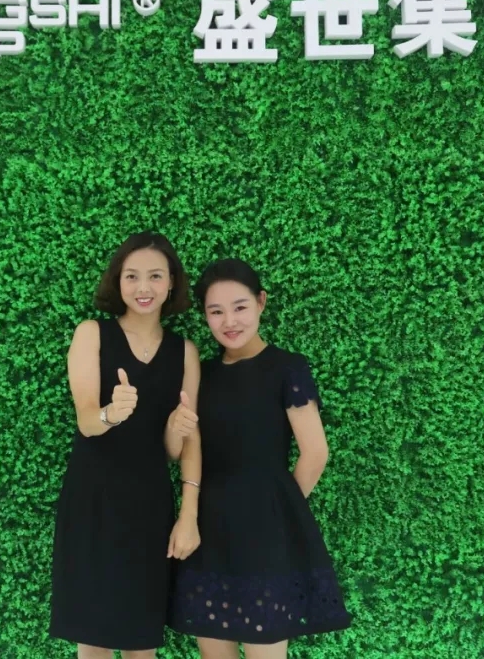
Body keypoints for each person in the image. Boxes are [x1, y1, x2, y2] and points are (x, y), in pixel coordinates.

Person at [169, 258, 352, 659]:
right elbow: (188, 447)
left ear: (261, 302)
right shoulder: (202, 373)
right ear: (205, 316)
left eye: (240, 307)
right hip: (209, 528)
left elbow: (315, 452)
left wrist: (277, 513)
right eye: (216, 311)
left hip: (265, 537)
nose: (229, 321)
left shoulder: (287, 368)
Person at [50, 231, 203, 659]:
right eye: (131, 276)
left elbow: (179, 448)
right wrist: (111, 413)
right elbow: (86, 422)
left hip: (150, 506)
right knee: (93, 638)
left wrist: (188, 514)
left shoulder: (185, 352)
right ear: (117, 282)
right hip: (93, 500)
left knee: (142, 641)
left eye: (155, 276)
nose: (143, 287)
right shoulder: (92, 334)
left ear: (171, 283)